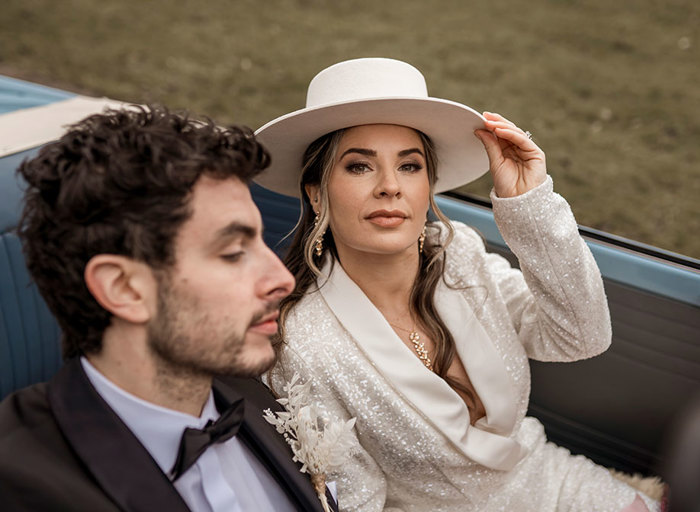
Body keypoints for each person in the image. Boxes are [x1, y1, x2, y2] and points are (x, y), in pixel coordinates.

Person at [255, 58, 660, 511]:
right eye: (359, 167)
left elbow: (581, 337)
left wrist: (529, 204)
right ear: (315, 191)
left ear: (429, 184)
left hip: (545, 476)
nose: (390, 186)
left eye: (409, 166)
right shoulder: (301, 345)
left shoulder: (459, 254)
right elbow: (355, 501)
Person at [0, 106, 337, 512]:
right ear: (124, 288)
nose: (282, 280)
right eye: (233, 252)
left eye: (262, 242)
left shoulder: (257, 396)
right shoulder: (21, 486)